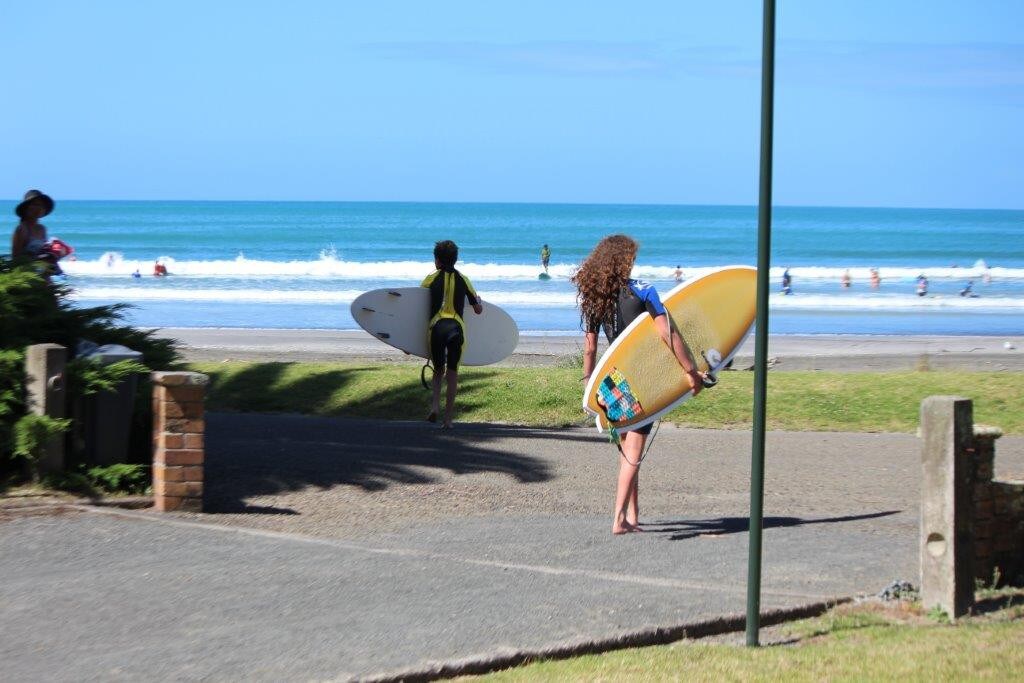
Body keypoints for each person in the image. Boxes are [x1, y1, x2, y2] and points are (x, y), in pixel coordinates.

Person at [573, 234, 704, 535]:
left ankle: (633, 515)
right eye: (631, 257)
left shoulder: (596, 298)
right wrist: (691, 370)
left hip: (611, 379)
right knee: (633, 453)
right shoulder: (644, 291)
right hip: (642, 380)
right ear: (624, 260)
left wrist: (588, 384)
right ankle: (619, 519)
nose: (634, 261)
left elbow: (590, 348)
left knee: (627, 453)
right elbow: (668, 334)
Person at [422, 240, 483, 429]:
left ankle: (434, 407)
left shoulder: (430, 278)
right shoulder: (463, 279)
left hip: (436, 327)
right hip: (456, 328)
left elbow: (415, 307)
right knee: (453, 372)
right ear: (455, 259)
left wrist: (406, 343)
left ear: (437, 260)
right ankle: (448, 420)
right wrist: (478, 300)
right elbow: (478, 310)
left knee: (438, 370)